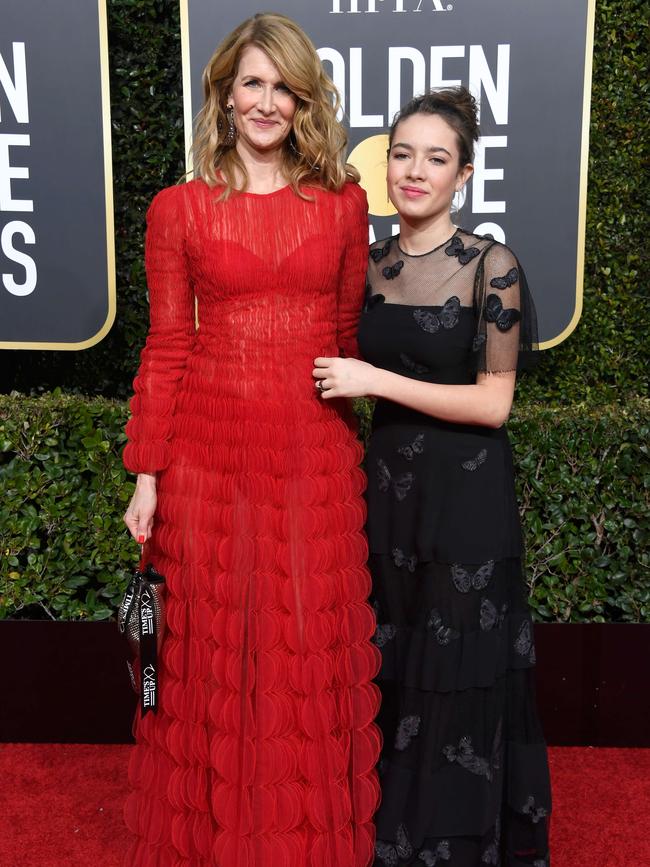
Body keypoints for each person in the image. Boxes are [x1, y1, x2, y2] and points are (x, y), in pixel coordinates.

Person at [122, 13, 380, 867]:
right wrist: (148, 475)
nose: (268, 102)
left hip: (311, 450)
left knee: (304, 644)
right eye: (253, 84)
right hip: (207, 451)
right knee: (211, 656)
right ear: (226, 94)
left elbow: (344, 333)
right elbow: (167, 344)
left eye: (285, 86)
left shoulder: (344, 202)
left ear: (304, 98)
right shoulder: (178, 209)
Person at [313, 87, 551, 866]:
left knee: (456, 675)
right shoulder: (370, 265)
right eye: (403, 153)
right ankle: (393, 840)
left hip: (467, 501)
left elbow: (493, 404)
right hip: (386, 500)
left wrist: (373, 382)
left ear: (465, 175)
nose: (415, 171)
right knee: (395, 664)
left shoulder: (493, 264)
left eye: (436, 158)